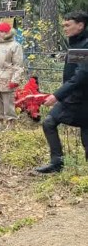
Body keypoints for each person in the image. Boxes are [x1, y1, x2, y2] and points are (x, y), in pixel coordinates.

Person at [35, 11, 88, 174]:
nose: (64, 28)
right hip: (73, 98)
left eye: (68, 25)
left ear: (80, 25)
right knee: (49, 122)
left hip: (84, 99)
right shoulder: (75, 43)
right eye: (63, 25)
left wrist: (58, 95)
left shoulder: (85, 44)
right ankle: (56, 162)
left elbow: (82, 75)